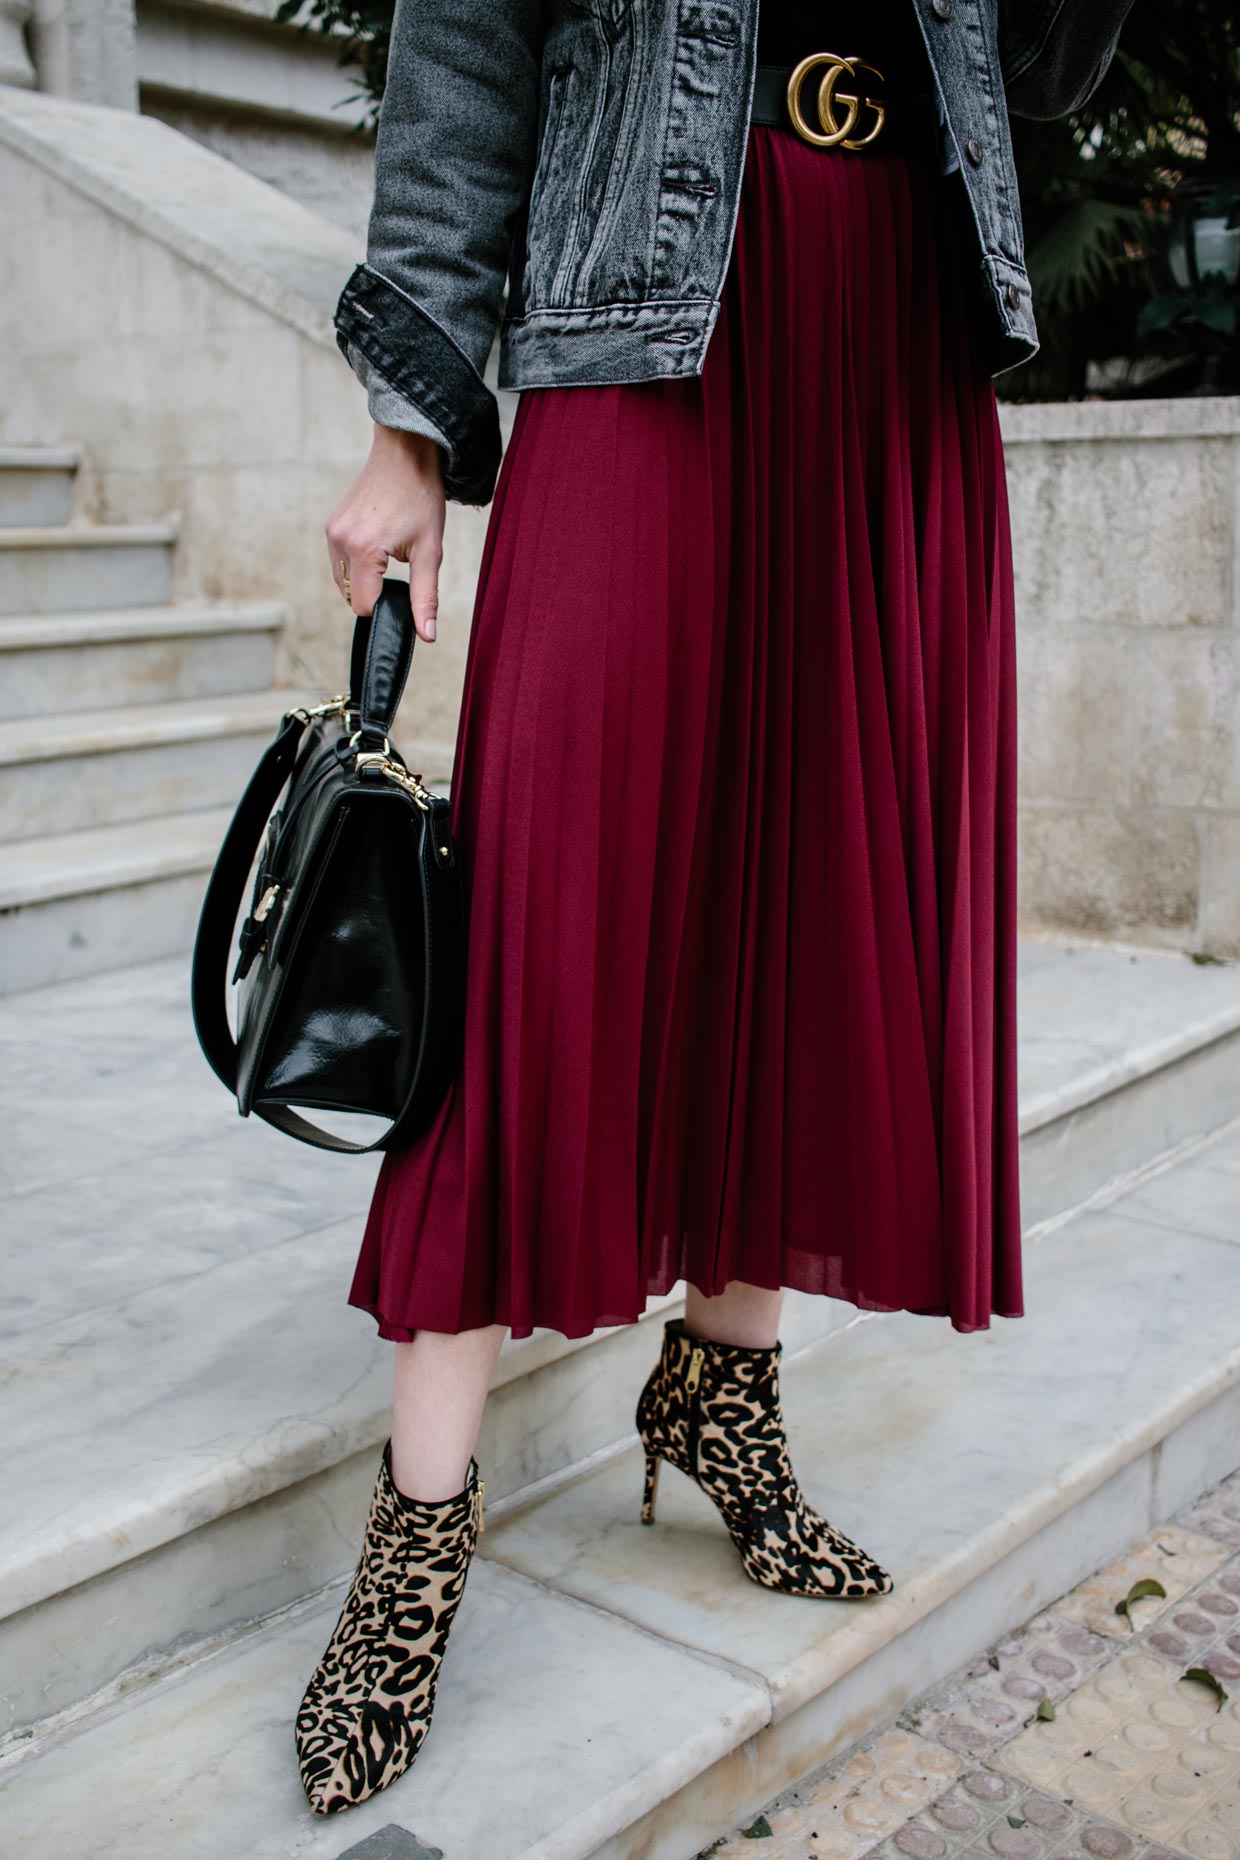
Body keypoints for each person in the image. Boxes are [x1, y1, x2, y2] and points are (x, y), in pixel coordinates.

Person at [294, 0, 1135, 1817]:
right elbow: (463, 51)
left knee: (817, 884)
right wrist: (413, 423)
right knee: (538, 909)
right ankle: (422, 1523)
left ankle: (724, 1386)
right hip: (642, 310)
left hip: (894, 317)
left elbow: (1048, 66)